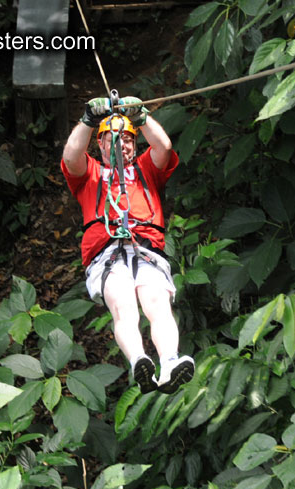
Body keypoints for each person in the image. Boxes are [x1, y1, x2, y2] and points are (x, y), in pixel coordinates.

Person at [60, 95, 194, 394]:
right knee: (124, 306)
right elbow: (71, 157)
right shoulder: (91, 174)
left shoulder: (146, 169)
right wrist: (87, 120)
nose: (122, 145)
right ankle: (139, 361)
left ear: (135, 145)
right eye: (113, 140)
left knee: (157, 305)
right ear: (101, 145)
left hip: (147, 250)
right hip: (108, 255)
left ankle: (170, 361)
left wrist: (142, 116)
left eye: (128, 140)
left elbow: (164, 147)